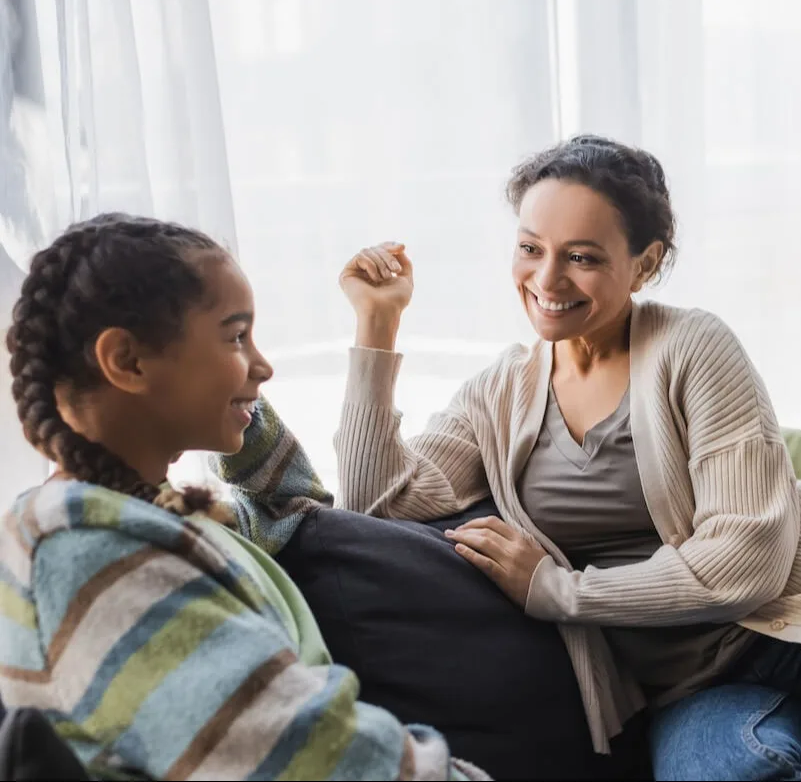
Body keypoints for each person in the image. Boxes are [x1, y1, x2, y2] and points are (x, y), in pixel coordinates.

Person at [335, 134, 801, 781]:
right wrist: (376, 326)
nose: (546, 280)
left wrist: (558, 591)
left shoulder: (692, 347)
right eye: (530, 248)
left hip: (779, 638)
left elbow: (746, 562)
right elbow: (372, 504)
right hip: (690, 689)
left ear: (644, 264)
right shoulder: (501, 391)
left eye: (580, 257)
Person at [0, 213, 488, 781]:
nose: (264, 365)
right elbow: (307, 760)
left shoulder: (145, 510)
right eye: (236, 337)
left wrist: (240, 408)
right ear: (129, 362)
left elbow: (294, 510)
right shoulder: (89, 556)